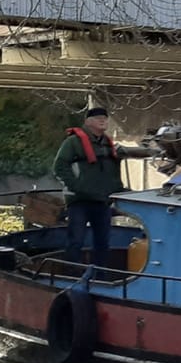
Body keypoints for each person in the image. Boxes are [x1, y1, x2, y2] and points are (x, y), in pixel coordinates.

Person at [53, 105, 125, 269]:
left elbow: (114, 172)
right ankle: (71, 275)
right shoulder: (73, 142)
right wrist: (76, 186)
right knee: (76, 240)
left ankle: (100, 276)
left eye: (105, 118)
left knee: (103, 242)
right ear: (87, 122)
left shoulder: (108, 144)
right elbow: (59, 167)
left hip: (102, 201)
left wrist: (118, 192)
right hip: (80, 201)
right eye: (97, 118)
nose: (102, 120)